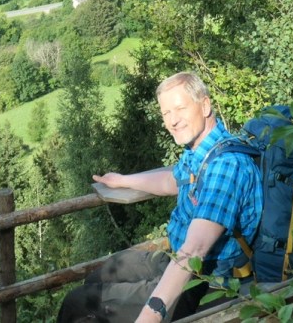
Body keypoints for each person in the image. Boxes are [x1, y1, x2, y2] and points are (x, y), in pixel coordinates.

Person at [58, 71, 263, 322]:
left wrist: (152, 313)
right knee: (98, 277)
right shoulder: (202, 150)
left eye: (180, 109)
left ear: (205, 106)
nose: (173, 121)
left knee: (78, 303)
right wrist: (123, 180)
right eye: (166, 113)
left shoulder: (226, 166)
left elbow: (195, 249)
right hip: (179, 260)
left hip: (206, 280)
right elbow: (171, 181)